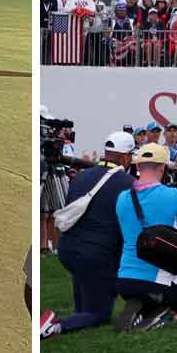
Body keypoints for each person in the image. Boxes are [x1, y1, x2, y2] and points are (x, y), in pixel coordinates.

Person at [40, 130, 137, 338]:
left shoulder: (81, 177)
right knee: (100, 315)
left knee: (84, 306)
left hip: (68, 250)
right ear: (125, 157)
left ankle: (78, 317)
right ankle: (56, 326)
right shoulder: (127, 184)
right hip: (97, 256)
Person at [114, 142, 177, 329]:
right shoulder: (172, 195)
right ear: (162, 167)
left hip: (125, 279)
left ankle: (145, 308)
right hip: (156, 279)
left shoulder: (122, 197)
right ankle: (166, 320)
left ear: (138, 166)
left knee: (159, 292)